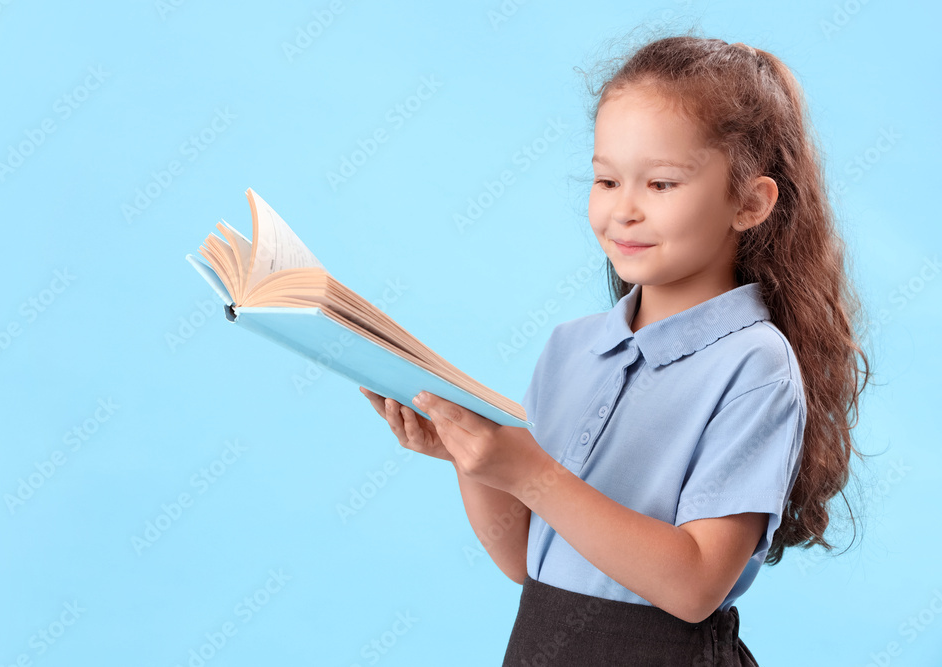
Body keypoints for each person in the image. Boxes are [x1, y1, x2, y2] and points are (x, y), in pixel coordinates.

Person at [360, 33, 871, 665]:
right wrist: (475, 461)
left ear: (749, 202)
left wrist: (530, 472)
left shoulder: (754, 365)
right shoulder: (570, 347)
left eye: (660, 184)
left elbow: (693, 587)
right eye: (606, 179)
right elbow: (523, 561)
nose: (623, 210)